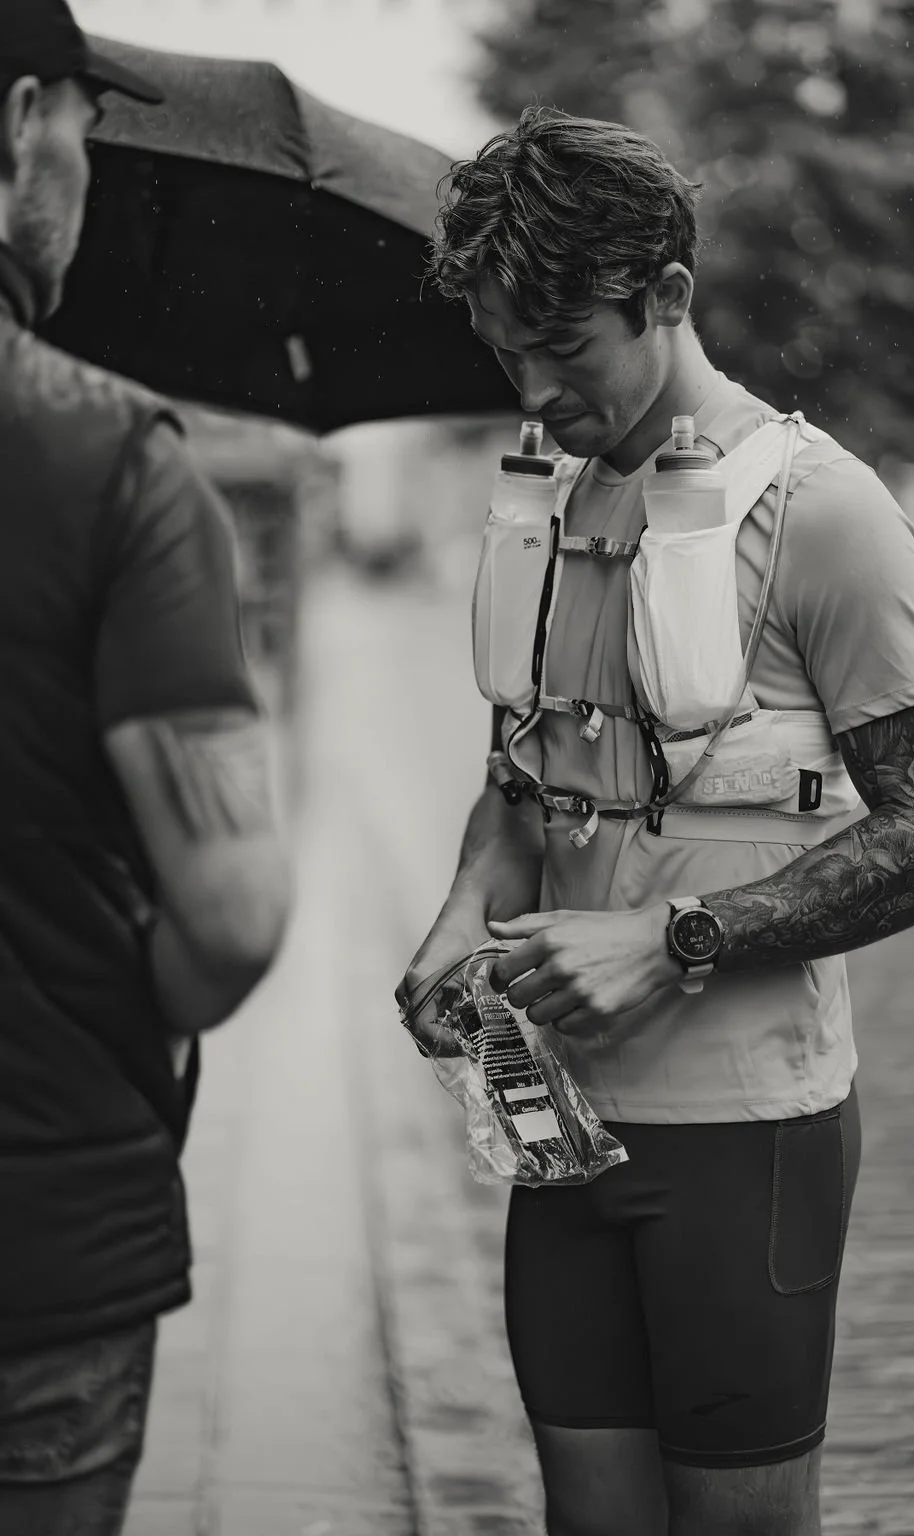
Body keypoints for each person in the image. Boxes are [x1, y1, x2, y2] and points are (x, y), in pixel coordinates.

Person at [400, 107, 914, 1536]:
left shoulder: (826, 511)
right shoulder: (549, 510)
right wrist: (462, 912)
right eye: (505, 351)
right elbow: (521, 780)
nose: (536, 388)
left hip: (745, 1139)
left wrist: (677, 938)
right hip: (557, 1125)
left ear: (665, 295)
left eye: (566, 346)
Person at [0, 2, 292, 1531]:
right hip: (37, 1239)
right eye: (84, 132)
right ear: (17, 124)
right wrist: (128, 1017)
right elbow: (233, 917)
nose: (86, 172)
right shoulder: (107, 459)